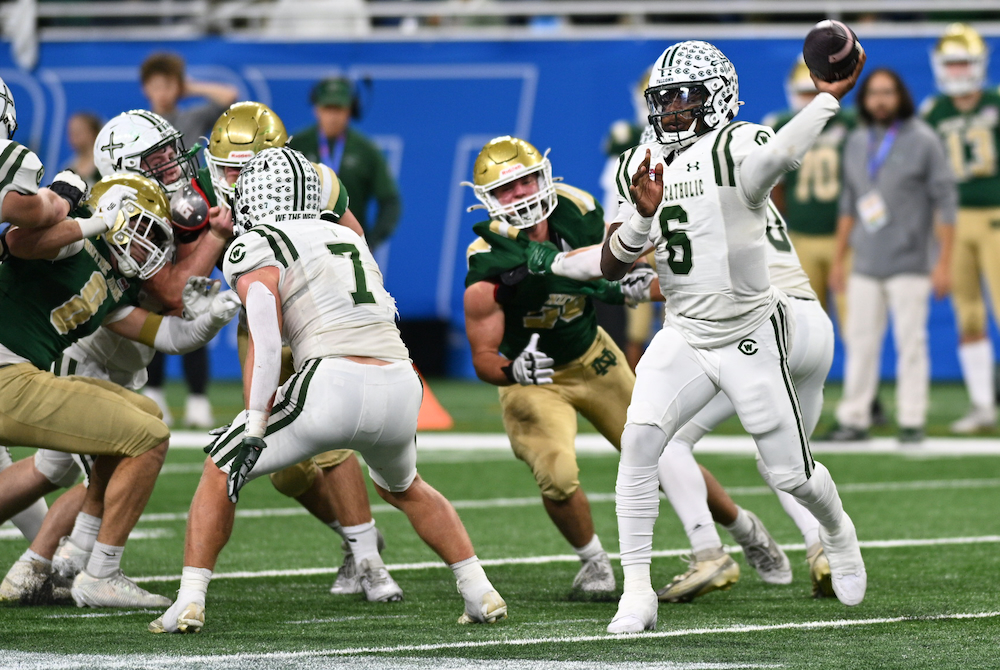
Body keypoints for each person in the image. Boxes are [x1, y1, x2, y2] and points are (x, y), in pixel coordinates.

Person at [149, 147, 506, 633]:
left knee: (220, 469)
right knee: (406, 487)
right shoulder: (347, 236)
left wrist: (255, 420)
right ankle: (478, 589)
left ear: (254, 195)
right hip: (402, 382)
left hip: (333, 382)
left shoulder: (254, 244)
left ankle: (189, 600)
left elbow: (267, 338)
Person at [601, 40, 867, 633]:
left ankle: (838, 532)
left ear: (715, 97)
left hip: (750, 332)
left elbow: (777, 159)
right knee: (640, 445)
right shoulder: (634, 164)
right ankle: (637, 592)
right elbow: (616, 264)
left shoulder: (737, 143)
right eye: (662, 99)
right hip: (685, 332)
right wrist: (641, 218)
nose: (669, 110)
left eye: (683, 98)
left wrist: (825, 100)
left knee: (791, 473)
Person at [524, 186, 833, 602]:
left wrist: (558, 261)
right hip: (811, 320)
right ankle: (822, 546)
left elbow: (613, 258)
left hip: (748, 322)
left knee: (665, 438)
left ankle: (708, 551)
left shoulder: (679, 173)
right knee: (784, 454)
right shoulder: (738, 157)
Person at [0, 173, 239, 606]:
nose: (150, 245)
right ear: (115, 217)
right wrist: (94, 223)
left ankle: (72, 562)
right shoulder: (79, 241)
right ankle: (100, 573)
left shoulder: (114, 281)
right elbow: (18, 241)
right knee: (146, 439)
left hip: (16, 373)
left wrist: (210, 320)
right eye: (143, 229)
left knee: (145, 417)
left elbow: (166, 338)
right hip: (6, 370)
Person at [202, 100, 402, 600]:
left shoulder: (318, 182)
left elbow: (354, 241)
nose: (232, 180)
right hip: (262, 323)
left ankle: (369, 562)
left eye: (243, 170)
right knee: (285, 473)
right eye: (225, 168)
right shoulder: (209, 191)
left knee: (331, 443)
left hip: (316, 323)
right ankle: (355, 538)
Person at [827, 69, 957, 443]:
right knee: (860, 342)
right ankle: (854, 417)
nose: (880, 100)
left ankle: (912, 419)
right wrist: (839, 260)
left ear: (901, 96)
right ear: (864, 99)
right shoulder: (855, 141)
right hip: (864, 263)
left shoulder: (924, 139)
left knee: (911, 343)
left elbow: (945, 204)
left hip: (911, 262)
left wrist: (943, 262)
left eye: (888, 92)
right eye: (873, 93)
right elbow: (848, 206)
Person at [140, 52, 239, 428]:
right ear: (146, 87)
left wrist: (189, 86)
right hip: (151, 227)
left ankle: (198, 398)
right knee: (157, 306)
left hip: (193, 224)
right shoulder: (141, 126)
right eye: (156, 84)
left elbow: (229, 97)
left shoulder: (192, 117)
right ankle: (156, 395)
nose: (162, 92)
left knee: (195, 304)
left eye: (169, 84)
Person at [922, 24, 1000, 434]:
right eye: (949, 63)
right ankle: (983, 405)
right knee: (968, 314)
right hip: (953, 222)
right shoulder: (934, 111)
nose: (955, 71)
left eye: (962, 63)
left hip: (996, 217)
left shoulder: (996, 102)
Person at [763, 57, 855, 324]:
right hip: (801, 237)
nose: (809, 99)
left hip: (845, 239)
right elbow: (774, 188)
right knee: (806, 326)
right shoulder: (779, 124)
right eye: (803, 93)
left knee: (856, 323)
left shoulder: (849, 123)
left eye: (814, 93)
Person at [288, 77, 401, 250]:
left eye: (339, 109)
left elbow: (390, 201)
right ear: (316, 109)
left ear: (350, 110)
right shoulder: (295, 145)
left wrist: (369, 242)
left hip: (350, 248)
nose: (333, 116)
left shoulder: (365, 150)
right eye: (327, 108)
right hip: (302, 247)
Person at [63, 112, 103, 187]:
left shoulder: (106, 166)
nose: (73, 138)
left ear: (93, 133)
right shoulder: (68, 170)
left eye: (78, 132)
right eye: (71, 133)